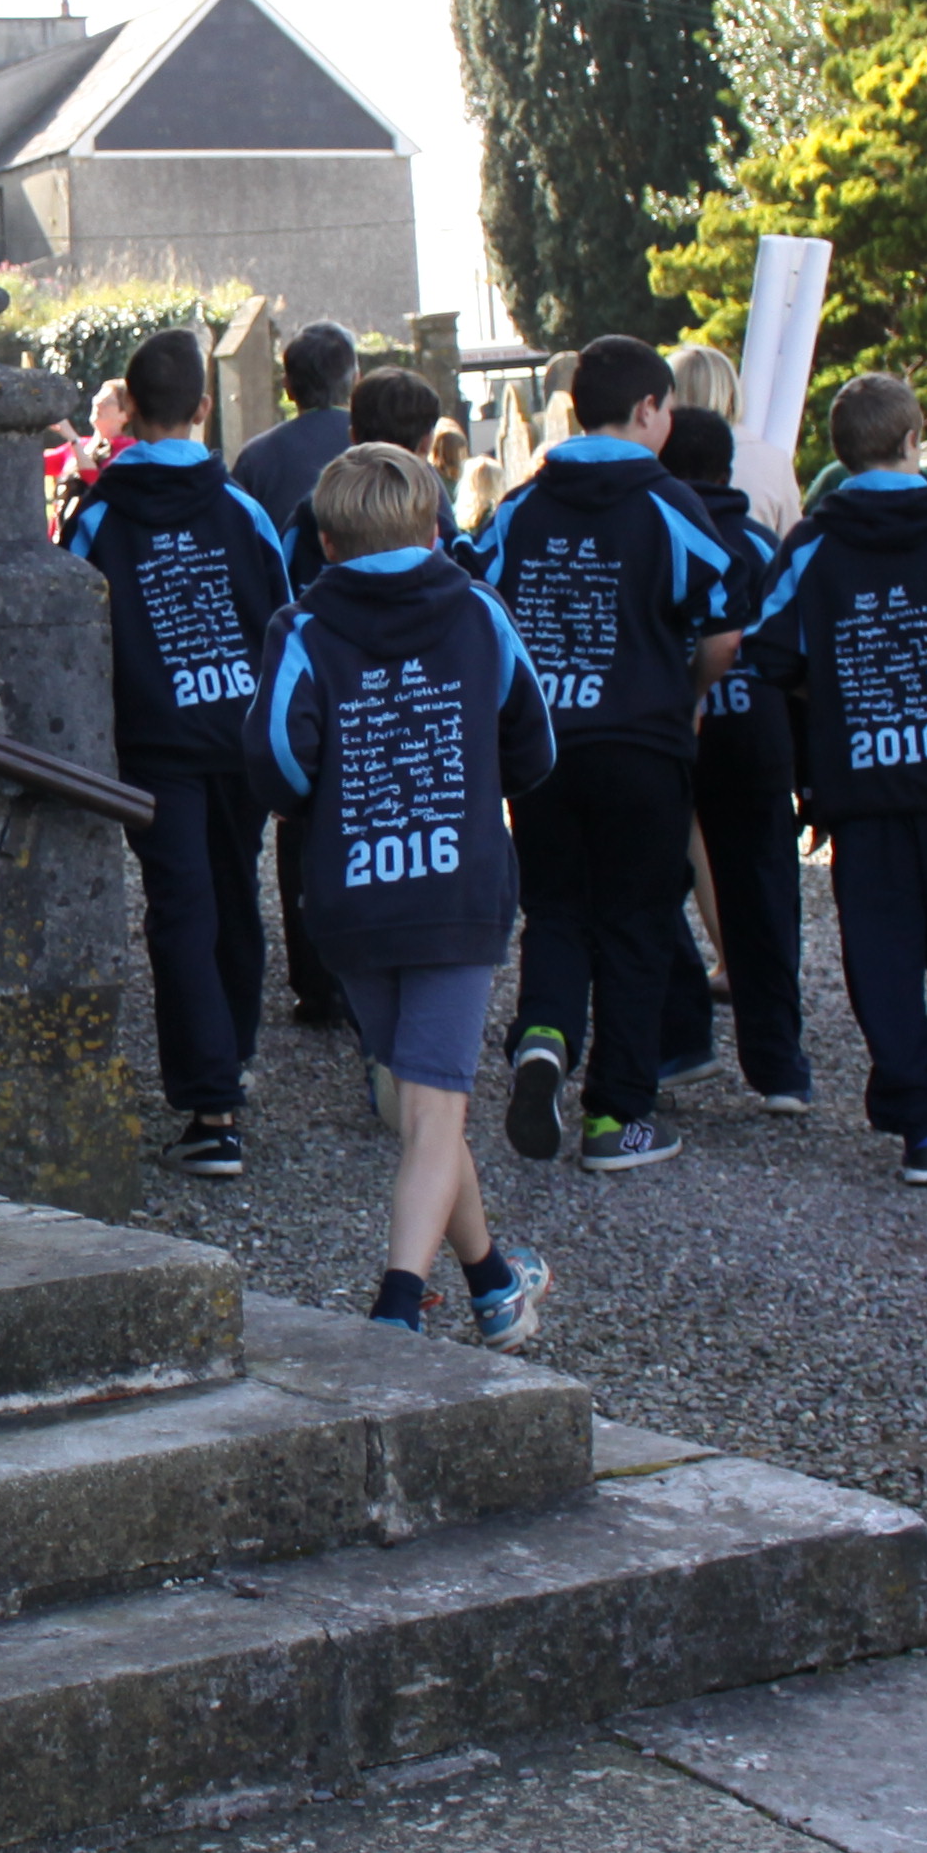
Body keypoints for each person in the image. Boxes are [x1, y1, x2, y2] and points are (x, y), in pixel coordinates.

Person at [255, 443, 554, 1341]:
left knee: (423, 1102)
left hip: (354, 897)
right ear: (432, 531)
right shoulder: (478, 612)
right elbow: (535, 743)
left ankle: (494, 1286)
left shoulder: (303, 628)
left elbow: (276, 758)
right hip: (457, 893)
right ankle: (395, 1311)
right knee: (432, 1111)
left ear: (327, 543)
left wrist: (319, 804)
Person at [468, 332, 743, 1174]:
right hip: (642, 742)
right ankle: (617, 1116)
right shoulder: (669, 504)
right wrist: (687, 695)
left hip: (545, 749)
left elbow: (472, 596)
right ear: (650, 410)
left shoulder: (521, 507)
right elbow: (724, 630)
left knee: (556, 907)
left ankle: (544, 1037)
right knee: (634, 921)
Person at [755, 372, 927, 1183]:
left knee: (881, 942)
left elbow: (770, 646)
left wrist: (828, 685)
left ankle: (920, 1122)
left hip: (860, 780)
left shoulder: (814, 544)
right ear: (913, 442)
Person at [67, 326, 291, 1176]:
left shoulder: (97, 518)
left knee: (180, 908)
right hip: (236, 737)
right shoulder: (243, 514)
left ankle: (210, 1103)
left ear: (127, 408)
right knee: (235, 894)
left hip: (153, 739)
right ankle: (232, 1055)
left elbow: (70, 633)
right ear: (203, 406)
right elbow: (284, 622)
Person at [268, 359, 451, 1029]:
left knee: (314, 840)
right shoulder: (434, 508)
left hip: (335, 694)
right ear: (427, 442)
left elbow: (282, 583)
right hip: (421, 698)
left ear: (350, 427)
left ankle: (320, 981)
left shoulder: (314, 506)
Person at [659, 401, 813, 1114]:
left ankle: (682, 1036)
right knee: (764, 896)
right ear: (729, 469)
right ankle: (779, 1066)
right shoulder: (760, 543)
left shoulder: (661, 536)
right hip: (758, 736)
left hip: (673, 734)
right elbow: (796, 653)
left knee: (653, 888)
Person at [228, 321, 359, 526]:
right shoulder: (383, 445)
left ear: (287, 387)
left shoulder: (255, 458)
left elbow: (236, 534)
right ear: (356, 380)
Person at [45, 378, 127, 539]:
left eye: (107, 402)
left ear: (125, 415)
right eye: (98, 398)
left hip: (97, 542)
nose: (98, 403)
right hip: (61, 541)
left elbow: (97, 483)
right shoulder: (79, 445)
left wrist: (73, 438)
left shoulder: (128, 450)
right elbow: (35, 464)